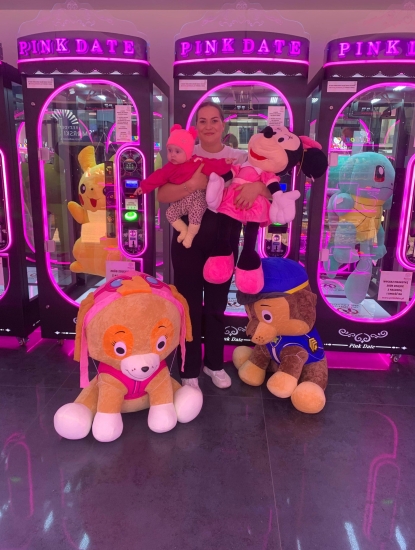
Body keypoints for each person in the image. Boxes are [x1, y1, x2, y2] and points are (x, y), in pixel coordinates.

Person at [157, 101, 271, 390]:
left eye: (214, 120)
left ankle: (215, 364)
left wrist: (257, 187)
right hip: (187, 243)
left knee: (217, 306)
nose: (208, 126)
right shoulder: (183, 154)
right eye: (202, 121)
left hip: (224, 243)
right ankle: (190, 369)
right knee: (190, 306)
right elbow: (162, 194)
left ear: (223, 125)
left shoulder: (240, 157)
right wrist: (193, 184)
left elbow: (272, 188)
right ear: (195, 127)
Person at [138, 124, 236, 248]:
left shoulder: (196, 161)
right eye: (170, 150)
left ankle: (190, 235)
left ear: (188, 152)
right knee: (170, 213)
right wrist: (144, 187)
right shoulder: (168, 169)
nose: (173, 155)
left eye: (177, 151)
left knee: (196, 214)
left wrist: (225, 163)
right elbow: (156, 179)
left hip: (198, 198)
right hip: (182, 200)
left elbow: (212, 164)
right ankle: (183, 230)